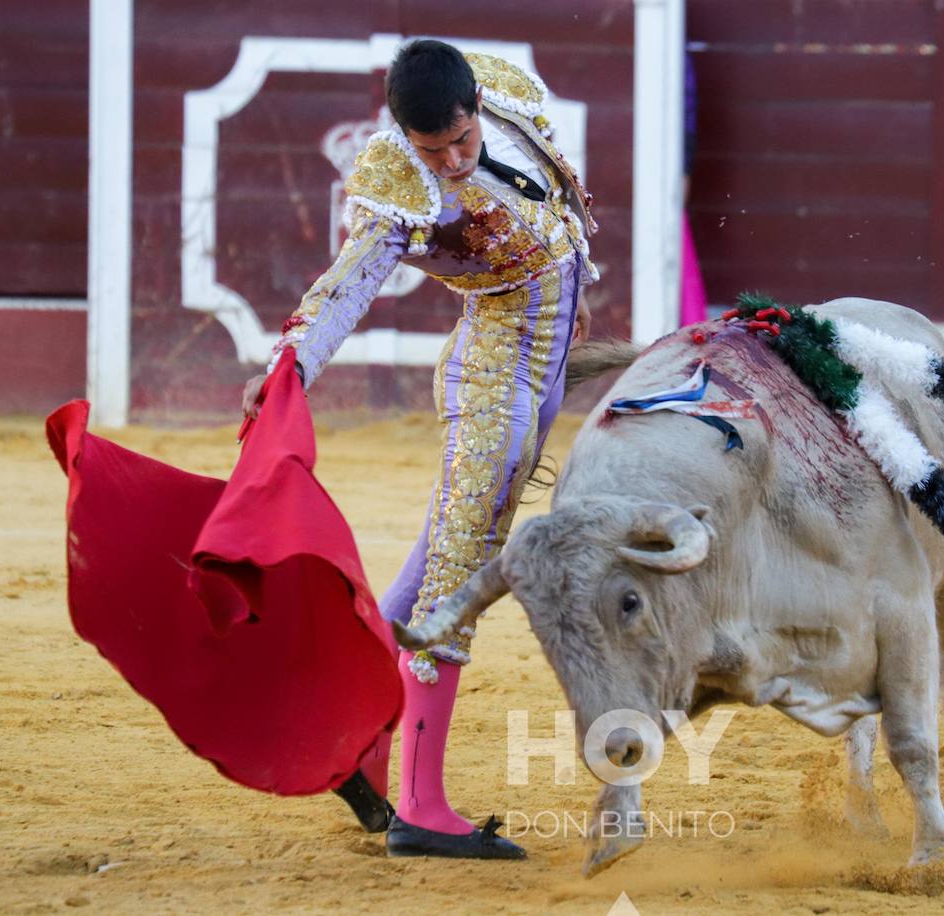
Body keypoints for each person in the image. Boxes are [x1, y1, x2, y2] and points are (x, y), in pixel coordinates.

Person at [241, 39, 599, 860]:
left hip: (541, 364)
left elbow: (560, 191)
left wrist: (575, 279)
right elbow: (351, 282)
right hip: (494, 377)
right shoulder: (396, 177)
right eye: (430, 150)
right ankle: (422, 808)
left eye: (460, 144)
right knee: (460, 573)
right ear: (402, 132)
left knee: (441, 559)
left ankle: (352, 735)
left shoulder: (504, 88)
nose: (448, 162)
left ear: (477, 105)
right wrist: (288, 363)